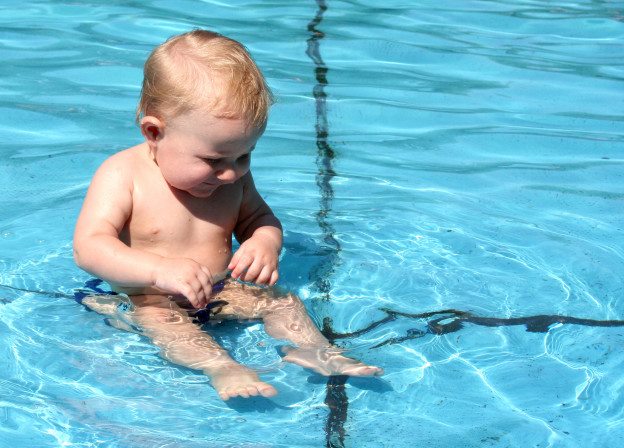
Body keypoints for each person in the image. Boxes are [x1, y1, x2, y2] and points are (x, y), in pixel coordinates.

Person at [73, 29, 383, 401]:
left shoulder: (232, 176)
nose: (231, 173)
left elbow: (260, 219)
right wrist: (158, 270)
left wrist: (264, 242)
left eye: (244, 155)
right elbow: (89, 248)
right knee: (163, 321)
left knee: (282, 302)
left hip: (222, 290)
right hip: (147, 297)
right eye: (214, 160)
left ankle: (313, 350)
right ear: (154, 132)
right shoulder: (123, 175)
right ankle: (221, 367)